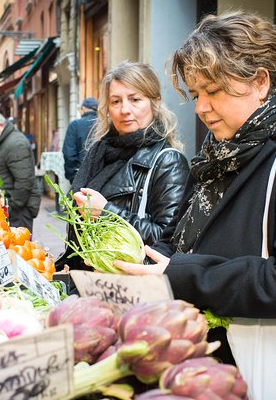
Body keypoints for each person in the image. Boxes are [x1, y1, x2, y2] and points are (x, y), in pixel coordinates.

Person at [114, 11, 276, 365]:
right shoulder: (220, 153)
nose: (201, 108)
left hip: (265, 372)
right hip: (203, 361)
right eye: (196, 94)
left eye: (213, 91)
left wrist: (180, 274)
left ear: (260, 82)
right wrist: (137, 261)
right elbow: (183, 239)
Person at [57, 61, 190, 271]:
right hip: (89, 280)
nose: (124, 109)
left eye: (135, 99)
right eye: (116, 101)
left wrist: (107, 212)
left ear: (155, 102)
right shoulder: (99, 154)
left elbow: (169, 240)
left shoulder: (168, 161)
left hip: (128, 289)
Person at [0, 110, 41, 230]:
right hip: (12, 206)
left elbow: (24, 181)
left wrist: (11, 206)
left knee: (19, 245)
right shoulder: (4, 141)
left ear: (0, 125)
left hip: (18, 210)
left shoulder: (15, 144)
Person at [62, 96, 98, 182]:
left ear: (84, 108)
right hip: (100, 176)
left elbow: (69, 154)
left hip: (79, 174)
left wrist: (72, 175)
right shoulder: (104, 124)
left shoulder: (75, 125)